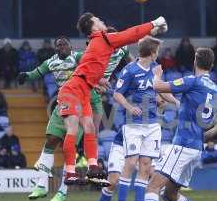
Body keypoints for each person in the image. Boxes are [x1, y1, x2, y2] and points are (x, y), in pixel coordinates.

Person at [122, 47, 217, 201]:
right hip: (196, 148)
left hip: (183, 144)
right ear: (212, 65)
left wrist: (156, 75)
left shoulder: (192, 80)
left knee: (153, 186)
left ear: (195, 62)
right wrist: (206, 134)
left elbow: (158, 86)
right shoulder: (216, 89)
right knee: (170, 193)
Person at [57, 12, 167, 185]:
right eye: (98, 20)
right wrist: (154, 23)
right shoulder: (103, 38)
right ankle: (70, 172)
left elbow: (88, 65)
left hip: (83, 90)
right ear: (93, 26)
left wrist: (96, 79)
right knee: (72, 128)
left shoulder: (98, 41)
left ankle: (92, 168)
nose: (102, 21)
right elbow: (132, 34)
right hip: (72, 90)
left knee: (90, 127)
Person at [21, 33, 130, 201]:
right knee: (50, 141)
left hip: (80, 104)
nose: (61, 47)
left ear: (70, 47)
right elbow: (37, 72)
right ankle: (41, 185)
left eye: (64, 44)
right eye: (58, 45)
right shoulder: (51, 61)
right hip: (62, 103)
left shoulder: (78, 57)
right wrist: (26, 76)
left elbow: (91, 66)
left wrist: (100, 79)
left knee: (69, 147)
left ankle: (62, 192)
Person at [112, 36, 179, 201]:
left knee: (145, 166)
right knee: (131, 163)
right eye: (156, 50)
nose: (158, 53)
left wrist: (175, 101)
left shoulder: (155, 69)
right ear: (152, 52)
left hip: (152, 124)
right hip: (133, 124)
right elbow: (117, 93)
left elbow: (160, 89)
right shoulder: (130, 70)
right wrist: (129, 107)